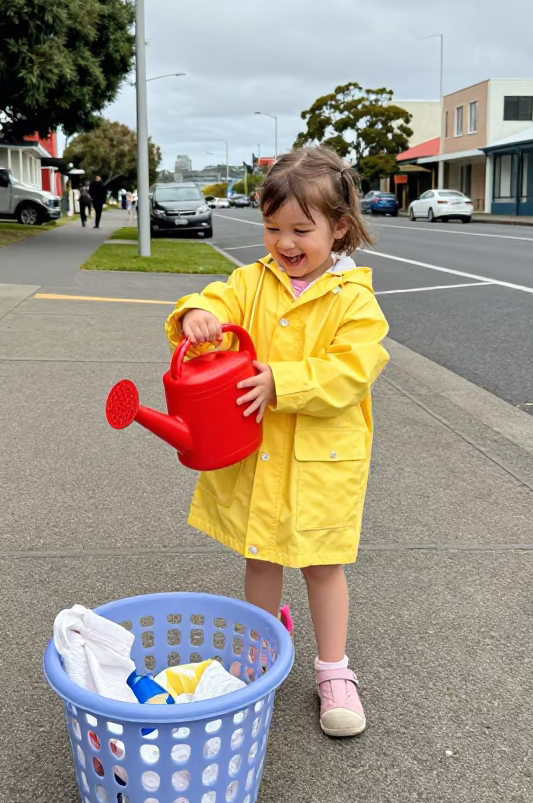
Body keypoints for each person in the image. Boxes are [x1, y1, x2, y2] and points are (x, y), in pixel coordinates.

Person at [165, 146, 388, 738]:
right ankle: (259, 650)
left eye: (300, 230)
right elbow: (215, 299)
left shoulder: (353, 300)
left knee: (321, 563)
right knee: (260, 554)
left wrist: (281, 382)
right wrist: (195, 315)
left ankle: (333, 669)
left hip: (322, 460)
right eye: (272, 228)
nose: (284, 243)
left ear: (339, 228)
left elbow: (353, 369)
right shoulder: (251, 282)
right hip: (257, 453)